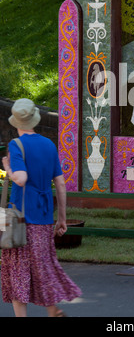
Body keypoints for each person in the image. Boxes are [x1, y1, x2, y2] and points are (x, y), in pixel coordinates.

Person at [1, 98, 81, 317]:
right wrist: (62, 218)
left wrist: (8, 167)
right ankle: (53, 310)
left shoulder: (16, 145)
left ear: (16, 121)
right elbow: (61, 184)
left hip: (19, 218)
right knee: (43, 266)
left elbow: (20, 179)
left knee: (18, 272)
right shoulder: (49, 144)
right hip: (44, 217)